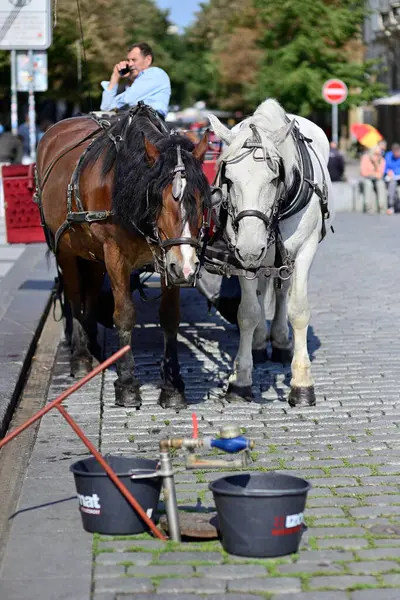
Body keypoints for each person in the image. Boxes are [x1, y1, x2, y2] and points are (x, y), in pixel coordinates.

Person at [100, 42, 171, 119]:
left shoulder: (156, 74)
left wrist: (110, 107)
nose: (130, 64)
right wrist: (115, 76)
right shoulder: (129, 83)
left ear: (148, 60)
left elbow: (126, 100)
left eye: (134, 60)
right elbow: (105, 108)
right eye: (128, 60)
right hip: (132, 122)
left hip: (151, 122)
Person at [359, 145, 387, 214]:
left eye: (379, 154)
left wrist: (376, 164)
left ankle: (381, 206)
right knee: (368, 184)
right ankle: (368, 206)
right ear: (371, 153)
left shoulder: (382, 160)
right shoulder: (365, 158)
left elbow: (381, 174)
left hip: (377, 179)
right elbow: (363, 173)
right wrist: (374, 173)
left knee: (381, 184)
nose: (377, 156)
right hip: (367, 178)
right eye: (375, 154)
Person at [384, 142, 400, 214]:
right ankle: (391, 205)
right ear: (392, 151)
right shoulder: (388, 155)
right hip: (392, 177)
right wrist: (388, 171)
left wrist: (396, 172)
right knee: (392, 184)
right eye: (395, 153)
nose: (397, 154)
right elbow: (385, 168)